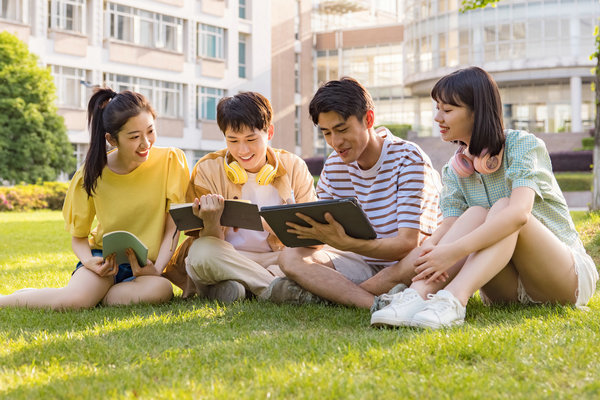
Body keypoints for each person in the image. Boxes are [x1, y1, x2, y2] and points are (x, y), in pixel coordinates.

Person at [371, 66, 599, 329]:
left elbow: (519, 215)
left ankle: (454, 301)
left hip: (562, 278)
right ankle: (416, 296)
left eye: (447, 110)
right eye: (437, 109)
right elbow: (448, 227)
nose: (437, 118)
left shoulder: (522, 146)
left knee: (504, 207)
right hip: (506, 290)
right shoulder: (454, 170)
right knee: (475, 213)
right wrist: (432, 251)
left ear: (476, 111)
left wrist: (453, 251)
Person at [0, 88, 190, 310]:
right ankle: (9, 300)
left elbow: (172, 228)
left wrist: (157, 269)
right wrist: (90, 261)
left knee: (161, 290)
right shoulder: (91, 174)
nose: (146, 143)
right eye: (134, 137)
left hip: (145, 267)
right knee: (74, 302)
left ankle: (98, 295)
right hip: (104, 261)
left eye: (150, 131)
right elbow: (79, 237)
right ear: (112, 139)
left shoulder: (170, 161)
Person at [269, 77, 442, 309]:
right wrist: (306, 231)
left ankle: (332, 294)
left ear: (368, 119)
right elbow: (322, 241)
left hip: (403, 262)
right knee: (290, 257)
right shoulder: (333, 165)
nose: (336, 142)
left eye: (342, 129)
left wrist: (346, 242)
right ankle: (375, 304)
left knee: (423, 255)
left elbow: (407, 244)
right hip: (358, 261)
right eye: (327, 133)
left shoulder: (409, 159)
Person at [162, 91, 317, 302]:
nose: (242, 150)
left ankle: (232, 287)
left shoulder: (294, 166)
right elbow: (209, 243)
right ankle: (274, 288)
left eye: (251, 139)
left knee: (312, 259)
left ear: (269, 132)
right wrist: (212, 221)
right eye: (232, 140)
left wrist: (272, 221)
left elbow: (312, 239)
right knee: (200, 253)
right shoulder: (208, 168)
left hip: (276, 258)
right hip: (227, 257)